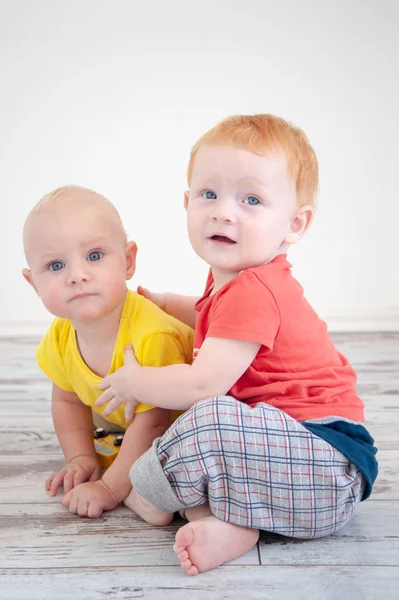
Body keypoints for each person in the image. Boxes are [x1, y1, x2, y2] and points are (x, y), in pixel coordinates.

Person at [96, 114, 378, 576]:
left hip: (325, 467)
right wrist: (164, 302)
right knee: (212, 424)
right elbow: (215, 319)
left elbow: (203, 383)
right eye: (209, 194)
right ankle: (229, 524)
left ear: (294, 223)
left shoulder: (254, 290)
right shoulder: (235, 281)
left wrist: (136, 382)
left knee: (205, 414)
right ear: (187, 202)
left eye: (251, 199)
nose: (224, 212)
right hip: (283, 471)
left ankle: (146, 491)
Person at [22, 185, 194, 520]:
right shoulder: (61, 335)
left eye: (94, 256)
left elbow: (155, 421)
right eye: (56, 266)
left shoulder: (151, 335)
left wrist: (109, 488)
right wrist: (81, 457)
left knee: (176, 475)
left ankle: (149, 491)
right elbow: (67, 400)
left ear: (128, 262)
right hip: (137, 426)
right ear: (34, 283)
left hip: (184, 421)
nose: (77, 275)